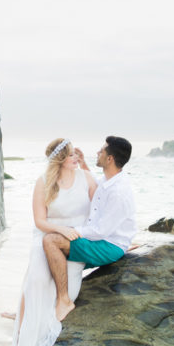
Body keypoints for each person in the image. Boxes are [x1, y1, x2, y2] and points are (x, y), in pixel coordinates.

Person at [8, 138, 97, 346]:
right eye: (70, 156)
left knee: (69, 291)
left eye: (76, 154)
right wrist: (60, 229)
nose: (76, 158)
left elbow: (102, 208)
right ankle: (22, 332)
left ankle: (39, 319)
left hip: (74, 239)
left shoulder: (86, 178)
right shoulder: (44, 182)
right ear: (59, 160)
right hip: (47, 234)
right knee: (37, 280)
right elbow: (39, 221)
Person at [43, 136, 137, 322]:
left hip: (108, 245)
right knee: (44, 257)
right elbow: (97, 185)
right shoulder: (111, 180)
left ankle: (64, 301)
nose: (98, 152)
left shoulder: (119, 192)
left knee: (51, 241)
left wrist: (68, 229)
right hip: (107, 240)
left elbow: (101, 231)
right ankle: (34, 309)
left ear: (109, 159)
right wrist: (84, 164)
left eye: (102, 150)